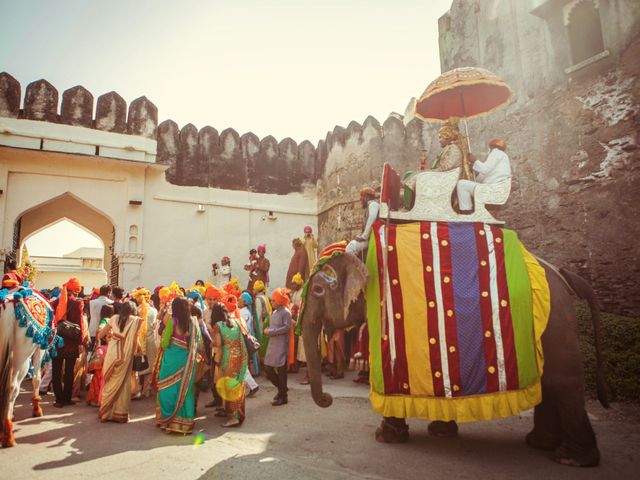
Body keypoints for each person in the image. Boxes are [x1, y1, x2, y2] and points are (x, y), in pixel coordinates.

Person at [156, 296, 201, 434]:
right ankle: (185, 424)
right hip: (188, 361)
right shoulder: (193, 322)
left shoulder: (172, 321)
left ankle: (169, 420)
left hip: (171, 361)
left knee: (166, 389)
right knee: (186, 390)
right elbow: (197, 341)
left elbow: (164, 343)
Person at [97, 300, 142, 423]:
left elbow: (100, 335)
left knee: (110, 381)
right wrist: (139, 351)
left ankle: (105, 414)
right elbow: (135, 340)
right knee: (123, 384)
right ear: (133, 310)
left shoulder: (114, 318)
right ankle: (120, 414)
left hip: (112, 353)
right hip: (126, 355)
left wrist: (113, 336)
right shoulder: (135, 320)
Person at [50, 277, 85, 408]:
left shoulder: (56, 302)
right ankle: (67, 398)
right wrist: (81, 342)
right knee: (69, 371)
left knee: (56, 371)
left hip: (57, 341)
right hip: (71, 342)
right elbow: (80, 323)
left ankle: (59, 400)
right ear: (76, 290)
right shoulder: (77, 303)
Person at [211, 302, 248, 427]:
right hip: (240, 357)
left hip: (227, 360)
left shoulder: (218, 325)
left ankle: (234, 417)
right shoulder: (237, 322)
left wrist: (212, 343)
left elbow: (218, 343)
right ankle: (236, 413)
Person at [456, 138, 512, 212]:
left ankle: (466, 212)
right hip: (496, 191)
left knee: (462, 184)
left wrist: (474, 160)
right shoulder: (502, 158)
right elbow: (484, 177)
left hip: (493, 191)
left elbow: (485, 169)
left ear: (492, 147)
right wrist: (475, 172)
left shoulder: (496, 153)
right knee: (466, 185)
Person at [263, 288, 291, 406]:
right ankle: (282, 389)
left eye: (274, 300)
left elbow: (286, 328)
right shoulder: (274, 311)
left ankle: (283, 396)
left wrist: (271, 331)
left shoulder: (285, 312)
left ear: (280, 301)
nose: (272, 302)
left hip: (281, 345)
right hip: (272, 344)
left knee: (281, 371)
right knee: (268, 369)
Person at [131, 288, 158, 398]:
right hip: (151, 340)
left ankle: (136, 388)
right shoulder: (154, 311)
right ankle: (146, 390)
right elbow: (155, 326)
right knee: (150, 365)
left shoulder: (136, 310)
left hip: (138, 341)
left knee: (138, 365)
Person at [86, 304, 114, 406]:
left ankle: (96, 398)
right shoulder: (112, 320)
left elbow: (99, 332)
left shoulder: (105, 321)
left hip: (103, 349)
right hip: (109, 349)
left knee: (98, 375)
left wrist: (99, 343)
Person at [346, 187, 380, 256]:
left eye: (361, 197)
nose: (360, 199)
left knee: (351, 248)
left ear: (366, 197)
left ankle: (355, 266)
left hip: (372, 238)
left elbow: (372, 218)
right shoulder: (369, 206)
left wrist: (364, 236)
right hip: (369, 237)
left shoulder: (373, 204)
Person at [288, 273, 304, 374]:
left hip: (298, 319)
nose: (293, 285)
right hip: (293, 318)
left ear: (298, 284)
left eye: (294, 283)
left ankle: (296, 364)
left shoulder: (302, 292)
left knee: (296, 343)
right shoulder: (294, 293)